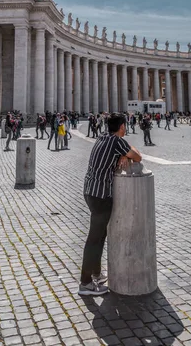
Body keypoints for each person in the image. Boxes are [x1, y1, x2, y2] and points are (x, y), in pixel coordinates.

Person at [79, 113, 142, 296]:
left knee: (99, 236)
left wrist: (123, 154)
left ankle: (97, 274)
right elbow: (138, 156)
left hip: (89, 190)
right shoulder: (117, 142)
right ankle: (85, 283)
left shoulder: (102, 137)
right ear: (122, 126)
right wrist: (126, 152)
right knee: (95, 240)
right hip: (101, 195)